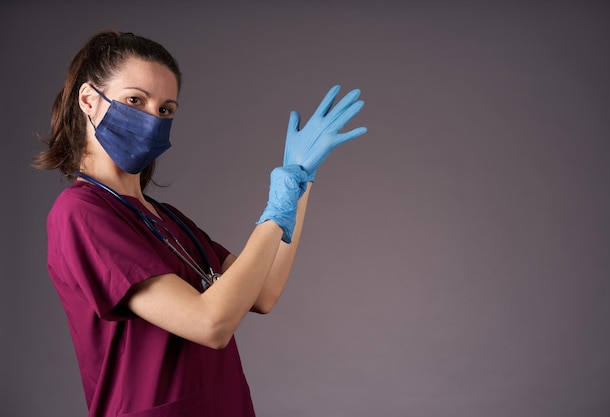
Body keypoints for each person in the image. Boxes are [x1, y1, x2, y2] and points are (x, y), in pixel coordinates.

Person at [33, 30, 367, 417]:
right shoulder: (82, 212)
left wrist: (300, 181)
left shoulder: (169, 219)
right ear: (89, 100)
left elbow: (264, 291)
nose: (151, 119)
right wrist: (279, 204)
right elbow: (210, 323)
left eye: (165, 109)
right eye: (135, 100)